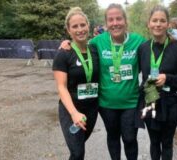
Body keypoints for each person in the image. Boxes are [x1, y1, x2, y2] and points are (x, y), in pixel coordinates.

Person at [59, 3, 146, 160]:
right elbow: (79, 44)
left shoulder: (138, 41)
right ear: (106, 24)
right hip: (106, 103)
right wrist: (67, 43)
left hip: (131, 102)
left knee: (129, 138)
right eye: (110, 20)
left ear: (125, 21)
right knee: (113, 137)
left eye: (118, 18)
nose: (115, 23)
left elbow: (154, 51)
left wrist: (172, 38)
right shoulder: (97, 42)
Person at [137, 6, 177, 160]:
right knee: (154, 142)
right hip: (151, 101)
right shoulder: (143, 48)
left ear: (168, 24)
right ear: (149, 23)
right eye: (154, 20)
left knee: (167, 143)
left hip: (171, 103)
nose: (158, 24)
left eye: (162, 21)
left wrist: (168, 78)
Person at [52, 7, 99, 160]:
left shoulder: (95, 49)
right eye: (75, 26)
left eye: (82, 25)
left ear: (88, 26)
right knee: (78, 152)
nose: (80, 29)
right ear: (68, 30)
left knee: (79, 146)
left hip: (92, 108)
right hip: (71, 109)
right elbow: (61, 87)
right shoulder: (63, 53)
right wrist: (74, 113)